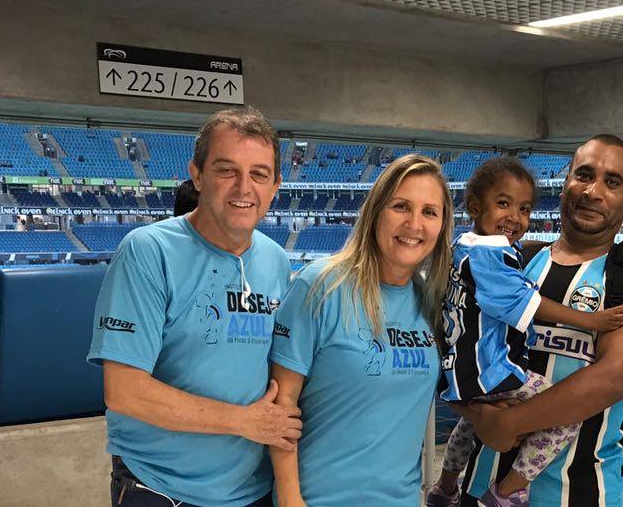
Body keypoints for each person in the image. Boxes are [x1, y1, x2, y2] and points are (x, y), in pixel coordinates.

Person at [86, 108, 299, 507]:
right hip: (162, 489)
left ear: (275, 186)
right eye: (226, 170)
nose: (243, 187)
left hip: (250, 490)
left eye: (258, 174)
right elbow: (124, 392)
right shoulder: (147, 252)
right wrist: (243, 421)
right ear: (198, 175)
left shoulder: (275, 261)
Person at [457, 134, 623, 507]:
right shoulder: (516, 260)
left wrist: (506, 424)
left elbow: (610, 380)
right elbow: (452, 340)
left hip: (577, 495)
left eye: (612, 182)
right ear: (566, 182)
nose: (593, 191)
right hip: (477, 485)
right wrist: (473, 413)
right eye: (584, 175)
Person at [426, 156, 623, 507]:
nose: (515, 218)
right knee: (566, 419)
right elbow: (527, 304)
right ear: (475, 206)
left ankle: (445, 487)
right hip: (491, 368)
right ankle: (506, 492)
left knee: (469, 427)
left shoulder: (463, 248)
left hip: (462, 371)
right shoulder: (490, 257)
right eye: (503, 204)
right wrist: (592, 321)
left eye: (524, 208)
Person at [269, 154, 451, 507]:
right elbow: (281, 403)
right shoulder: (321, 286)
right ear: (376, 211)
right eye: (401, 206)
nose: (414, 224)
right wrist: (291, 500)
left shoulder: (431, 302)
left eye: (430, 212)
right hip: (319, 498)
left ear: (442, 225)